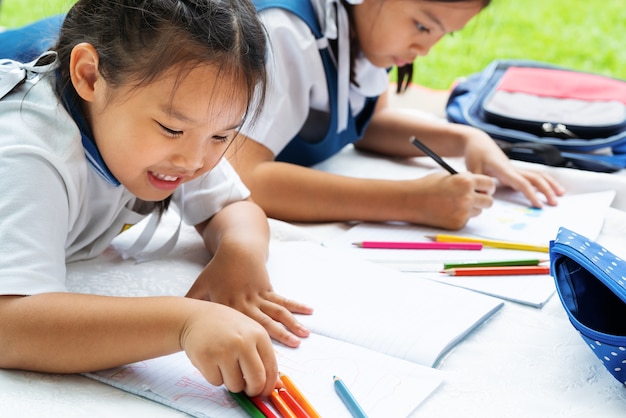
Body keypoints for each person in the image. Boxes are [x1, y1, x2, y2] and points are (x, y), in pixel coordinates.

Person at [0, 0, 312, 398]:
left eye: (221, 136)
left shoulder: (178, 129)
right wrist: (183, 323)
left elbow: (233, 206)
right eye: (170, 128)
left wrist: (240, 254)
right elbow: (10, 326)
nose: (196, 161)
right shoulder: (27, 152)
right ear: (90, 77)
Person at [226, 0, 565, 230]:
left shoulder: (362, 30)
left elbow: (367, 121)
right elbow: (243, 179)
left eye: (441, 34)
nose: (425, 49)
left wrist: (467, 139)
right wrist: (410, 203)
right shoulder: (286, 33)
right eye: (421, 26)